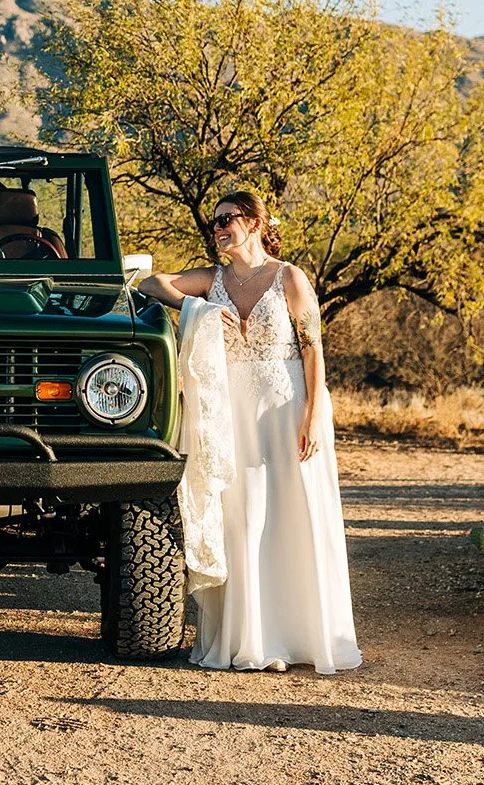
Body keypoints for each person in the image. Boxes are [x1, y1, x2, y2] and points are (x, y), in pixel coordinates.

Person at [135, 189, 362, 674]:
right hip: (228, 414)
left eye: (228, 219)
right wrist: (197, 308)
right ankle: (249, 638)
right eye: (215, 221)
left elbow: (313, 351)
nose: (218, 227)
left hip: (285, 409)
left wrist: (312, 416)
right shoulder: (211, 279)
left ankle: (299, 636)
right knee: (240, 517)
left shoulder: (290, 278)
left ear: (255, 222)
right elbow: (154, 284)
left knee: (290, 514)